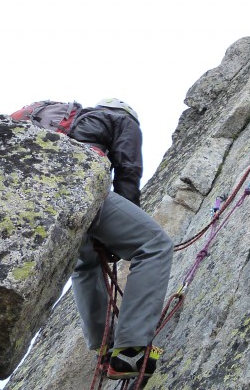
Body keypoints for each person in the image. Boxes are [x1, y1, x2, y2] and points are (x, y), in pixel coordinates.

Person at [68, 98, 173, 381]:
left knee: (84, 265)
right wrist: (118, 236)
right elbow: (127, 168)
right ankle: (130, 350)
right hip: (79, 182)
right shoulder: (121, 120)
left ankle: (106, 350)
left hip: (49, 196)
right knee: (154, 245)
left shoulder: (72, 123)